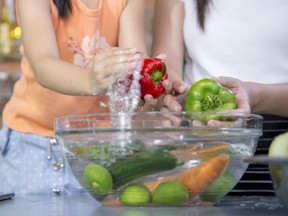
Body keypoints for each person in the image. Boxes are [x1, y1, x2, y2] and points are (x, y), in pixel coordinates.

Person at [0, 0, 148, 196]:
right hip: (34, 144)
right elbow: (43, 64)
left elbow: (135, 65)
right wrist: (91, 80)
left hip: (100, 150)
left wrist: (152, 83)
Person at [152, 0, 288, 195]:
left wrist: (255, 95)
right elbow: (166, 67)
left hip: (281, 145)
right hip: (202, 145)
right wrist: (175, 93)